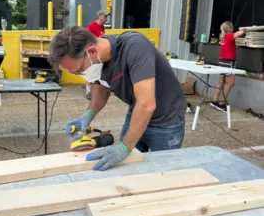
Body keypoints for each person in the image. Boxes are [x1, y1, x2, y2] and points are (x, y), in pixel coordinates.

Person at [48, 26, 186, 171]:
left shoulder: (135, 47)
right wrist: (88, 115)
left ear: (92, 52)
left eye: (79, 70)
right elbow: (100, 88)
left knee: (162, 172)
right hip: (136, 112)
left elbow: (146, 105)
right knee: (127, 169)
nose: (79, 74)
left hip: (166, 119)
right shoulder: (97, 61)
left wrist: (124, 148)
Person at [210, 21, 247, 112]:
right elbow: (241, 32)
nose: (233, 28)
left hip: (222, 61)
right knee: (230, 82)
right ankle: (221, 103)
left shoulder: (223, 37)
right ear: (230, 29)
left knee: (221, 81)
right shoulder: (229, 36)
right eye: (232, 27)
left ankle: (214, 101)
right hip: (228, 62)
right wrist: (245, 30)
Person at [84, 10, 109, 100]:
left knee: (99, 70)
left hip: (100, 51)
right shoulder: (92, 26)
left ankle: (98, 89)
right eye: (105, 16)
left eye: (107, 16)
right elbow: (87, 38)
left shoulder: (102, 27)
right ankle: (88, 91)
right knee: (92, 70)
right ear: (100, 16)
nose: (106, 18)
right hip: (93, 51)